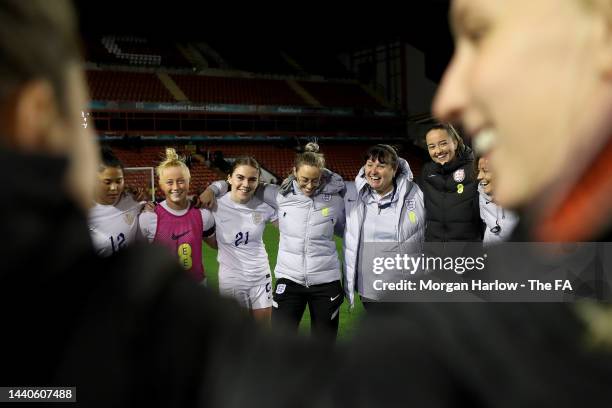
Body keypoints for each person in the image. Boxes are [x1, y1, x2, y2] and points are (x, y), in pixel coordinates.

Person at [202, 143, 346, 340]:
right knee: (277, 342)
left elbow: (348, 232)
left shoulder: (335, 200)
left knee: (323, 345)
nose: (310, 185)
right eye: (304, 179)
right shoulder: (279, 194)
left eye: (315, 180)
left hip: (324, 279)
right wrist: (213, 188)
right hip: (289, 278)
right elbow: (243, 182)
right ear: (294, 172)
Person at [343, 144, 425, 310]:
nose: (373, 171)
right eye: (369, 164)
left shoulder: (416, 194)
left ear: (394, 170)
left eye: (381, 166)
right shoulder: (352, 196)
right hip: (370, 289)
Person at [210, 156, 278, 322]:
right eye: (240, 177)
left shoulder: (265, 207)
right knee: (237, 337)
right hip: (231, 280)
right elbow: (208, 238)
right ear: (229, 178)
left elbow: (290, 231)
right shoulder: (215, 205)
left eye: (252, 179)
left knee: (263, 337)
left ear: (258, 182)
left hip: (261, 277)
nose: (246, 184)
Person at [139, 147, 216, 283]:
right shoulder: (148, 217)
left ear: (188, 181)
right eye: (169, 182)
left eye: (181, 181)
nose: (176, 187)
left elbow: (218, 245)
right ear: (161, 185)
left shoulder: (203, 215)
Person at [419, 123, 483, 242]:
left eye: (443, 143)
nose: (438, 151)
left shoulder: (474, 169)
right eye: (432, 147)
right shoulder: (427, 172)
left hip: (468, 252)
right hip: (434, 251)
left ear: (455, 142)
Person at [88, 146, 144, 257]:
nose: (114, 188)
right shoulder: (83, 212)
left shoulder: (133, 199)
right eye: (107, 182)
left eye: (119, 181)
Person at [476, 156, 518, 246]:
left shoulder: (526, 199)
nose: (479, 176)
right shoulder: (481, 191)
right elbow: (484, 218)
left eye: (486, 170)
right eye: (479, 171)